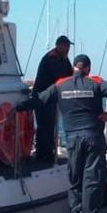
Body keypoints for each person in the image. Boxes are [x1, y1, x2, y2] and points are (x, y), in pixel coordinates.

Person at [17, 54, 107, 213]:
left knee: (75, 180)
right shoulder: (95, 82)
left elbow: (40, 100)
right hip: (93, 135)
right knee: (92, 178)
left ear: (74, 67)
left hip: (72, 138)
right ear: (88, 68)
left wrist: (18, 107)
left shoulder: (61, 84)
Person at [32, 36, 74, 164]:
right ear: (59, 46)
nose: (68, 49)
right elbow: (60, 76)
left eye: (68, 46)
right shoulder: (51, 59)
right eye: (66, 46)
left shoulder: (63, 59)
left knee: (49, 125)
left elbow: (70, 74)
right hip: (42, 97)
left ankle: (48, 152)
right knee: (44, 125)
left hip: (51, 97)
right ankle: (42, 154)